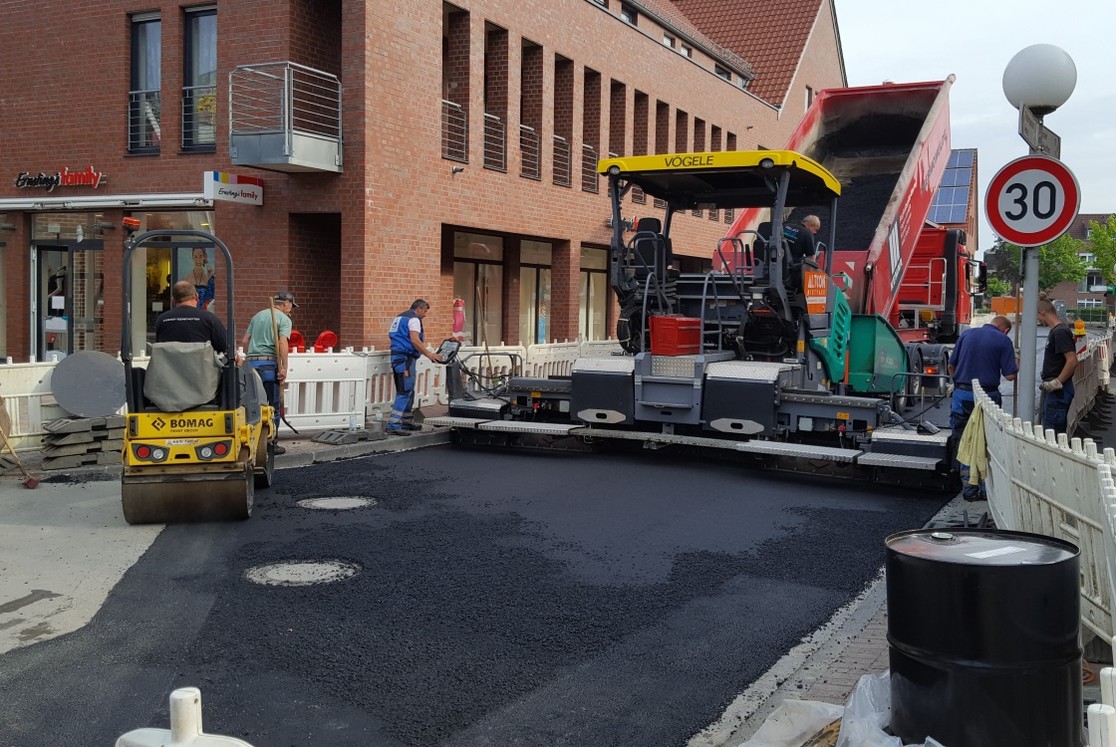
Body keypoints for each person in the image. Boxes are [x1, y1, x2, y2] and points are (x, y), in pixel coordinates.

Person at [947, 315, 1018, 500]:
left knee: (964, 438)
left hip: (962, 395)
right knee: (987, 441)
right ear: (1005, 329)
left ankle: (968, 488)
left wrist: (956, 383)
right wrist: (1017, 360)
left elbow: (951, 365)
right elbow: (1010, 376)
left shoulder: (967, 335)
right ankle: (986, 490)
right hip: (988, 397)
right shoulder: (1003, 340)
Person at [241, 291, 298, 453]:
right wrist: (284, 367)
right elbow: (282, 344)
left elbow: (245, 340)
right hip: (268, 364)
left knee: (253, 404)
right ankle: (271, 443)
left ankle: (252, 440)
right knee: (272, 406)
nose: (291, 310)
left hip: (252, 364)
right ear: (285, 303)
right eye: (291, 306)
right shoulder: (284, 320)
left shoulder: (257, 316)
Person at [386, 299, 443, 435]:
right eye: (425, 311)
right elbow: (415, 340)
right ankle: (393, 425)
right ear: (419, 309)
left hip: (398, 357)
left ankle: (406, 420)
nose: (425, 315)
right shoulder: (414, 319)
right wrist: (429, 354)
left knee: (408, 389)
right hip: (405, 358)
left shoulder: (399, 317)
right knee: (405, 390)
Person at [1037, 299, 1079, 434]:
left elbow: (1072, 360)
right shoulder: (1056, 331)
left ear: (1041, 313)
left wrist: (1057, 382)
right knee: (1051, 431)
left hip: (1058, 392)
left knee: (1052, 433)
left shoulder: (1059, 332)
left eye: (1037, 316)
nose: (1037, 320)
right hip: (1056, 390)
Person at [154, 281, 227, 353]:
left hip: (170, 364)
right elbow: (225, 347)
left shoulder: (162, 320)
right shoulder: (209, 319)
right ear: (196, 296)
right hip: (201, 364)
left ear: (173, 300)